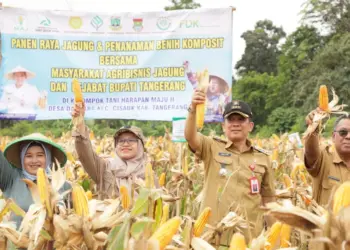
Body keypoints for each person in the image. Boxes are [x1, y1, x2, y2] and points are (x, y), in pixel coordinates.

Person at [185, 91, 276, 247]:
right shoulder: (211, 146)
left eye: (241, 119)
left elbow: (268, 201)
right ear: (223, 126)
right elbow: (190, 136)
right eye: (230, 119)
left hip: (248, 238)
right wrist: (193, 108)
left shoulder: (263, 158)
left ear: (250, 126)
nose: (235, 123)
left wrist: (275, 239)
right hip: (213, 236)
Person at [71, 102, 152, 199]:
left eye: (131, 140)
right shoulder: (104, 168)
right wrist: (79, 123)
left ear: (141, 145)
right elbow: (85, 153)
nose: (125, 144)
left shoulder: (149, 174)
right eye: (121, 140)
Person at [0, 133, 70, 229]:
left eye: (40, 155)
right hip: (16, 242)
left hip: (52, 243)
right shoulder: (11, 177)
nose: (34, 160)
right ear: (22, 158)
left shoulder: (62, 184)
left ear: (48, 157)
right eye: (28, 156)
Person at [304, 111, 350, 206]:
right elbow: (311, 153)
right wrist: (313, 128)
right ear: (333, 136)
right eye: (343, 132)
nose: (349, 136)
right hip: (326, 220)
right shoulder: (324, 159)